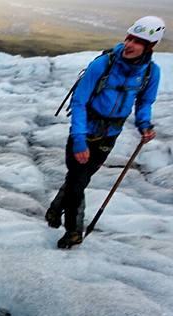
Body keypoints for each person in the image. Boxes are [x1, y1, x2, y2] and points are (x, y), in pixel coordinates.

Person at [45, 16, 164, 249]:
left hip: (110, 134)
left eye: (138, 41)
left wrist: (145, 125)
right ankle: (73, 231)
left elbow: (145, 101)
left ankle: (55, 208)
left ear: (150, 46)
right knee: (78, 181)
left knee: (80, 178)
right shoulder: (103, 64)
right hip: (84, 129)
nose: (130, 44)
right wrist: (79, 139)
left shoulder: (151, 72)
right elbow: (79, 101)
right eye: (129, 37)